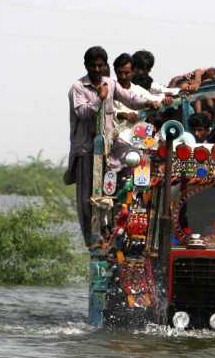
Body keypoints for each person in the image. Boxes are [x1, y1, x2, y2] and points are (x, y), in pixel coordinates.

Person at [65, 46, 156, 245]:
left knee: (117, 182)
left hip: (108, 146)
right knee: (87, 198)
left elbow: (129, 98)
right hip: (87, 149)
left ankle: (115, 230)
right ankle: (93, 238)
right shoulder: (78, 88)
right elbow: (82, 113)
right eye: (93, 66)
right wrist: (100, 98)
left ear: (105, 66)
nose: (97, 69)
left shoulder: (110, 83)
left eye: (100, 65)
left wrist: (148, 103)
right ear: (86, 66)